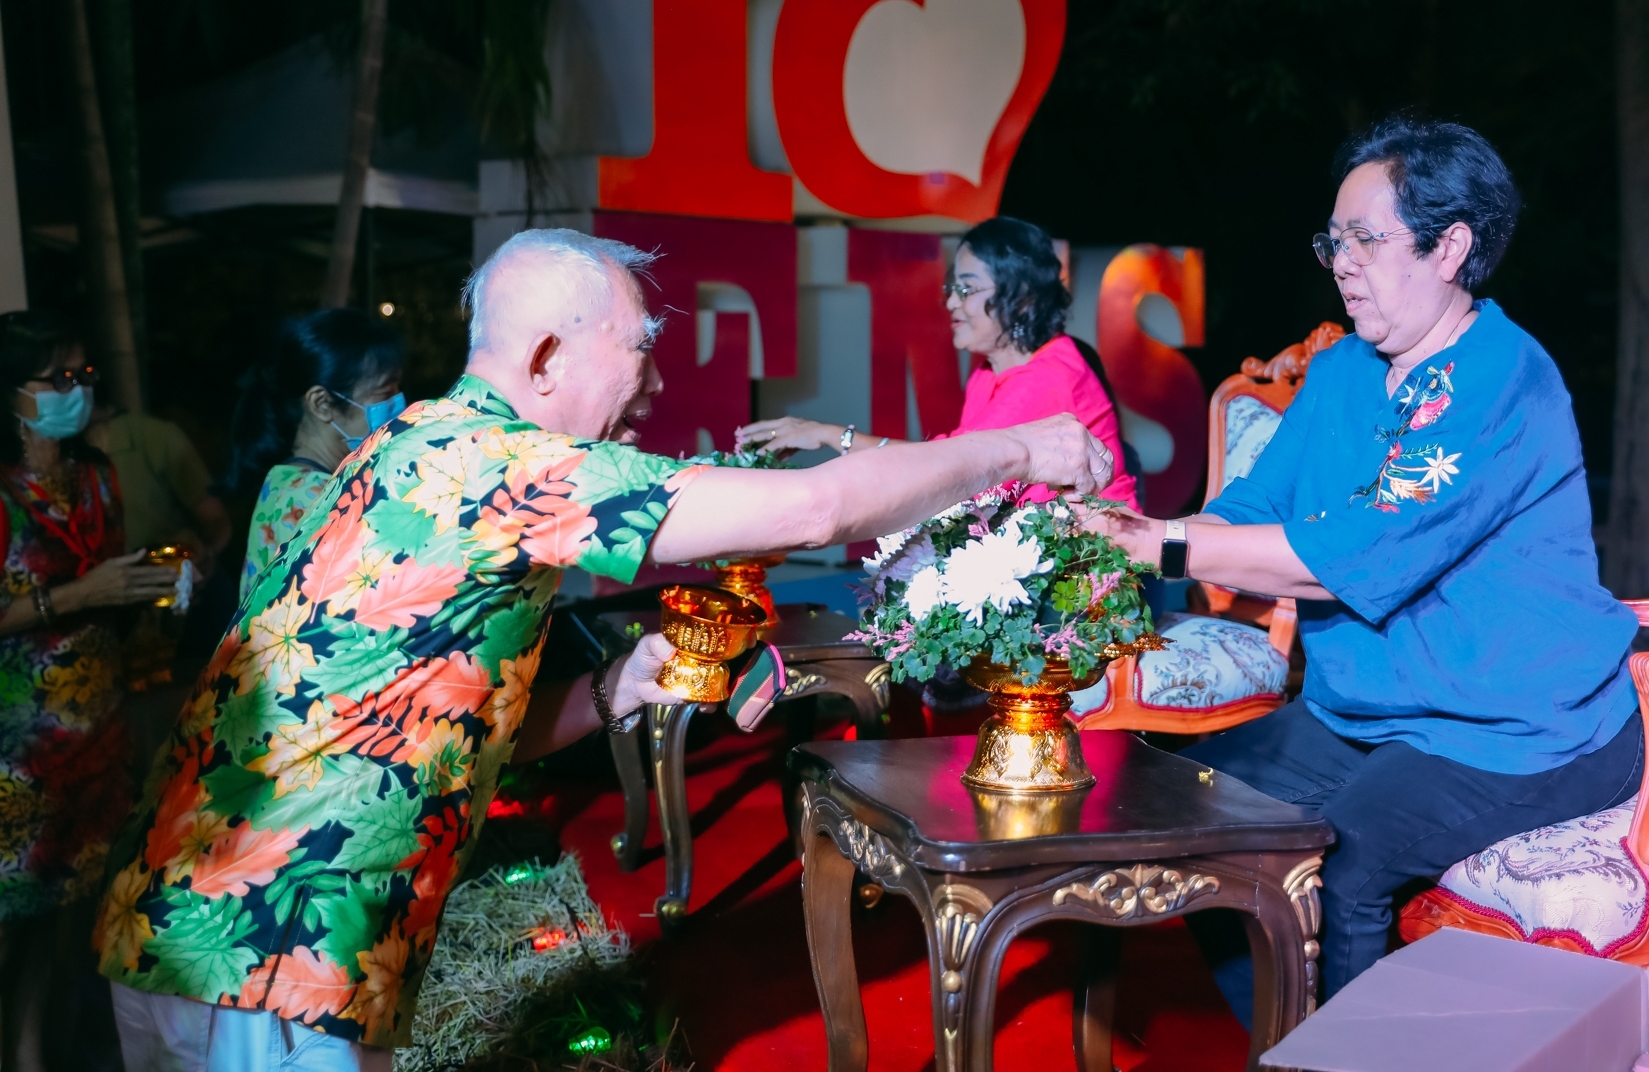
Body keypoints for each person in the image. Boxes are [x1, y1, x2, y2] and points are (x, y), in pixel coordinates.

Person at [96, 228, 1114, 1071]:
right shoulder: (504, 464)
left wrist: (611, 687)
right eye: (638, 349)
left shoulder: (415, 447)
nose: (655, 381)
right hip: (272, 944)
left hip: (193, 921)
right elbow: (811, 508)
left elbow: (445, 718)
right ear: (546, 358)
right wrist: (1020, 446)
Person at [1089, 119, 1644, 1019]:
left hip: (1522, 725)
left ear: (1449, 247)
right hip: (1367, 711)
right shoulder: (1345, 370)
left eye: (1364, 240)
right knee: (1185, 813)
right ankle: (1289, 1038)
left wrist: (1162, 542)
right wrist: (1158, 532)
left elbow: (1351, 557)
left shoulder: (1500, 375)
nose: (1341, 263)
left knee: (1346, 857)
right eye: (1333, 241)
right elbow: (1253, 503)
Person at [0, 311, 178, 1070]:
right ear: (11, 393)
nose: (77, 390)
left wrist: (154, 586)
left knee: (67, 924)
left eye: (83, 374)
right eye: (58, 378)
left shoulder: (97, 475)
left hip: (97, 733)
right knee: (11, 925)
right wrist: (79, 595)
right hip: (17, 753)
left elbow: (108, 581)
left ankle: (34, 1055)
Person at [738, 214, 1139, 506]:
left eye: (967, 290)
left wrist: (830, 436)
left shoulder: (1044, 380)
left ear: (1022, 297)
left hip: (1089, 578)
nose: (951, 303)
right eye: (952, 289)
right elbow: (953, 458)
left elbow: (948, 471)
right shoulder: (989, 370)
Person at [224, 309, 406, 600]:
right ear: (322, 404)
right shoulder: (318, 498)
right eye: (385, 395)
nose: (400, 408)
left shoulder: (285, 481)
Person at [85, 400, 232, 568]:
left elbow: (216, 520)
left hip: (171, 577)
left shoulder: (152, 436)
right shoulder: (62, 456)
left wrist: (203, 554)